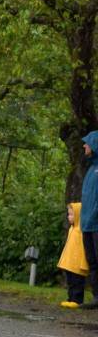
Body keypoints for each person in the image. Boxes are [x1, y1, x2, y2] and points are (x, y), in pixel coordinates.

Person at [79, 131, 98, 308]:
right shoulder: (91, 169)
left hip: (96, 224)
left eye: (87, 143)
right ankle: (96, 296)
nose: (84, 146)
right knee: (92, 261)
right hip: (87, 224)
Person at [58, 202, 88, 308]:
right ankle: (70, 298)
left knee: (78, 282)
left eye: (71, 214)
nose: (68, 217)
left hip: (77, 263)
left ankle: (77, 300)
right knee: (70, 281)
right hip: (69, 263)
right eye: (68, 214)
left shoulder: (81, 231)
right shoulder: (72, 229)